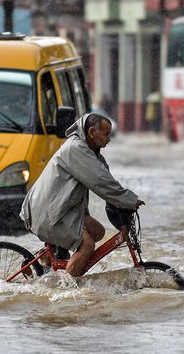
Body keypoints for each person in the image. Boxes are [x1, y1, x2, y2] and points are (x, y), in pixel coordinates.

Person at [20, 113, 144, 277]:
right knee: (87, 246)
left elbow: (108, 180)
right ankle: (67, 289)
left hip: (60, 209)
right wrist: (129, 200)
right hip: (49, 212)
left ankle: (47, 260)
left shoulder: (92, 152)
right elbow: (99, 181)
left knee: (98, 231)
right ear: (92, 132)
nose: (109, 139)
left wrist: (123, 200)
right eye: (106, 134)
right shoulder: (76, 149)